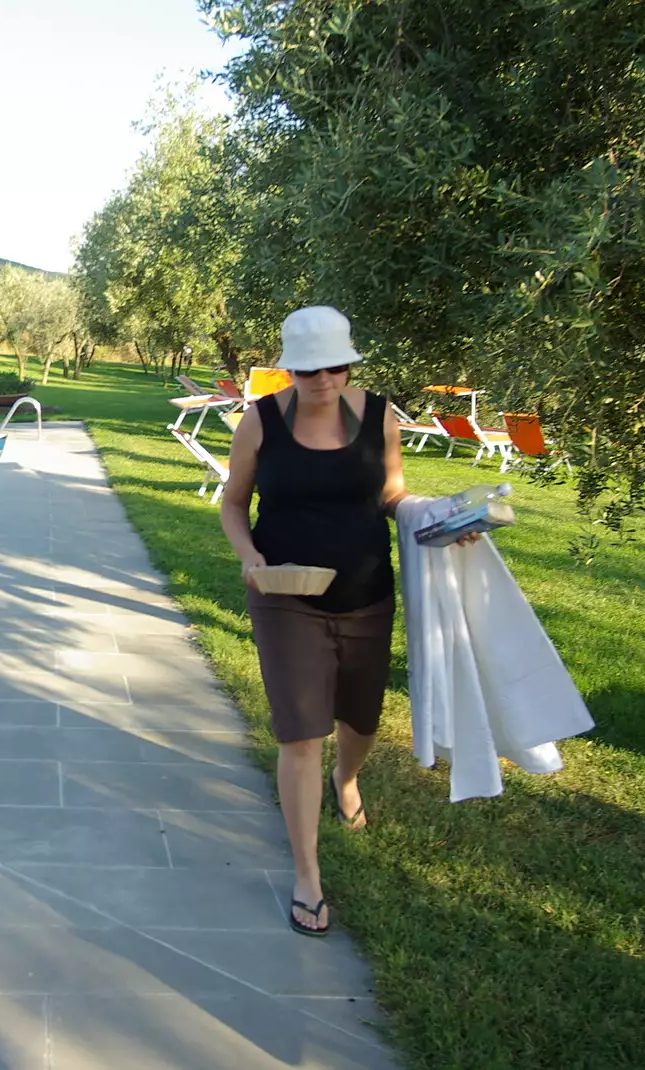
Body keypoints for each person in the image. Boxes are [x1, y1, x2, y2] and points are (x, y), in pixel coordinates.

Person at [218, 305, 468, 937]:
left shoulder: (379, 416)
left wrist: (433, 515)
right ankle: (308, 877)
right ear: (290, 370)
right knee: (301, 732)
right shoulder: (260, 422)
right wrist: (249, 555)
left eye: (334, 366)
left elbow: (390, 492)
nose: (322, 379)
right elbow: (233, 503)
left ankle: (346, 778)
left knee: (360, 720)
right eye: (308, 370)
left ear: (349, 364)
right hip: (284, 593)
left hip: (364, 591)